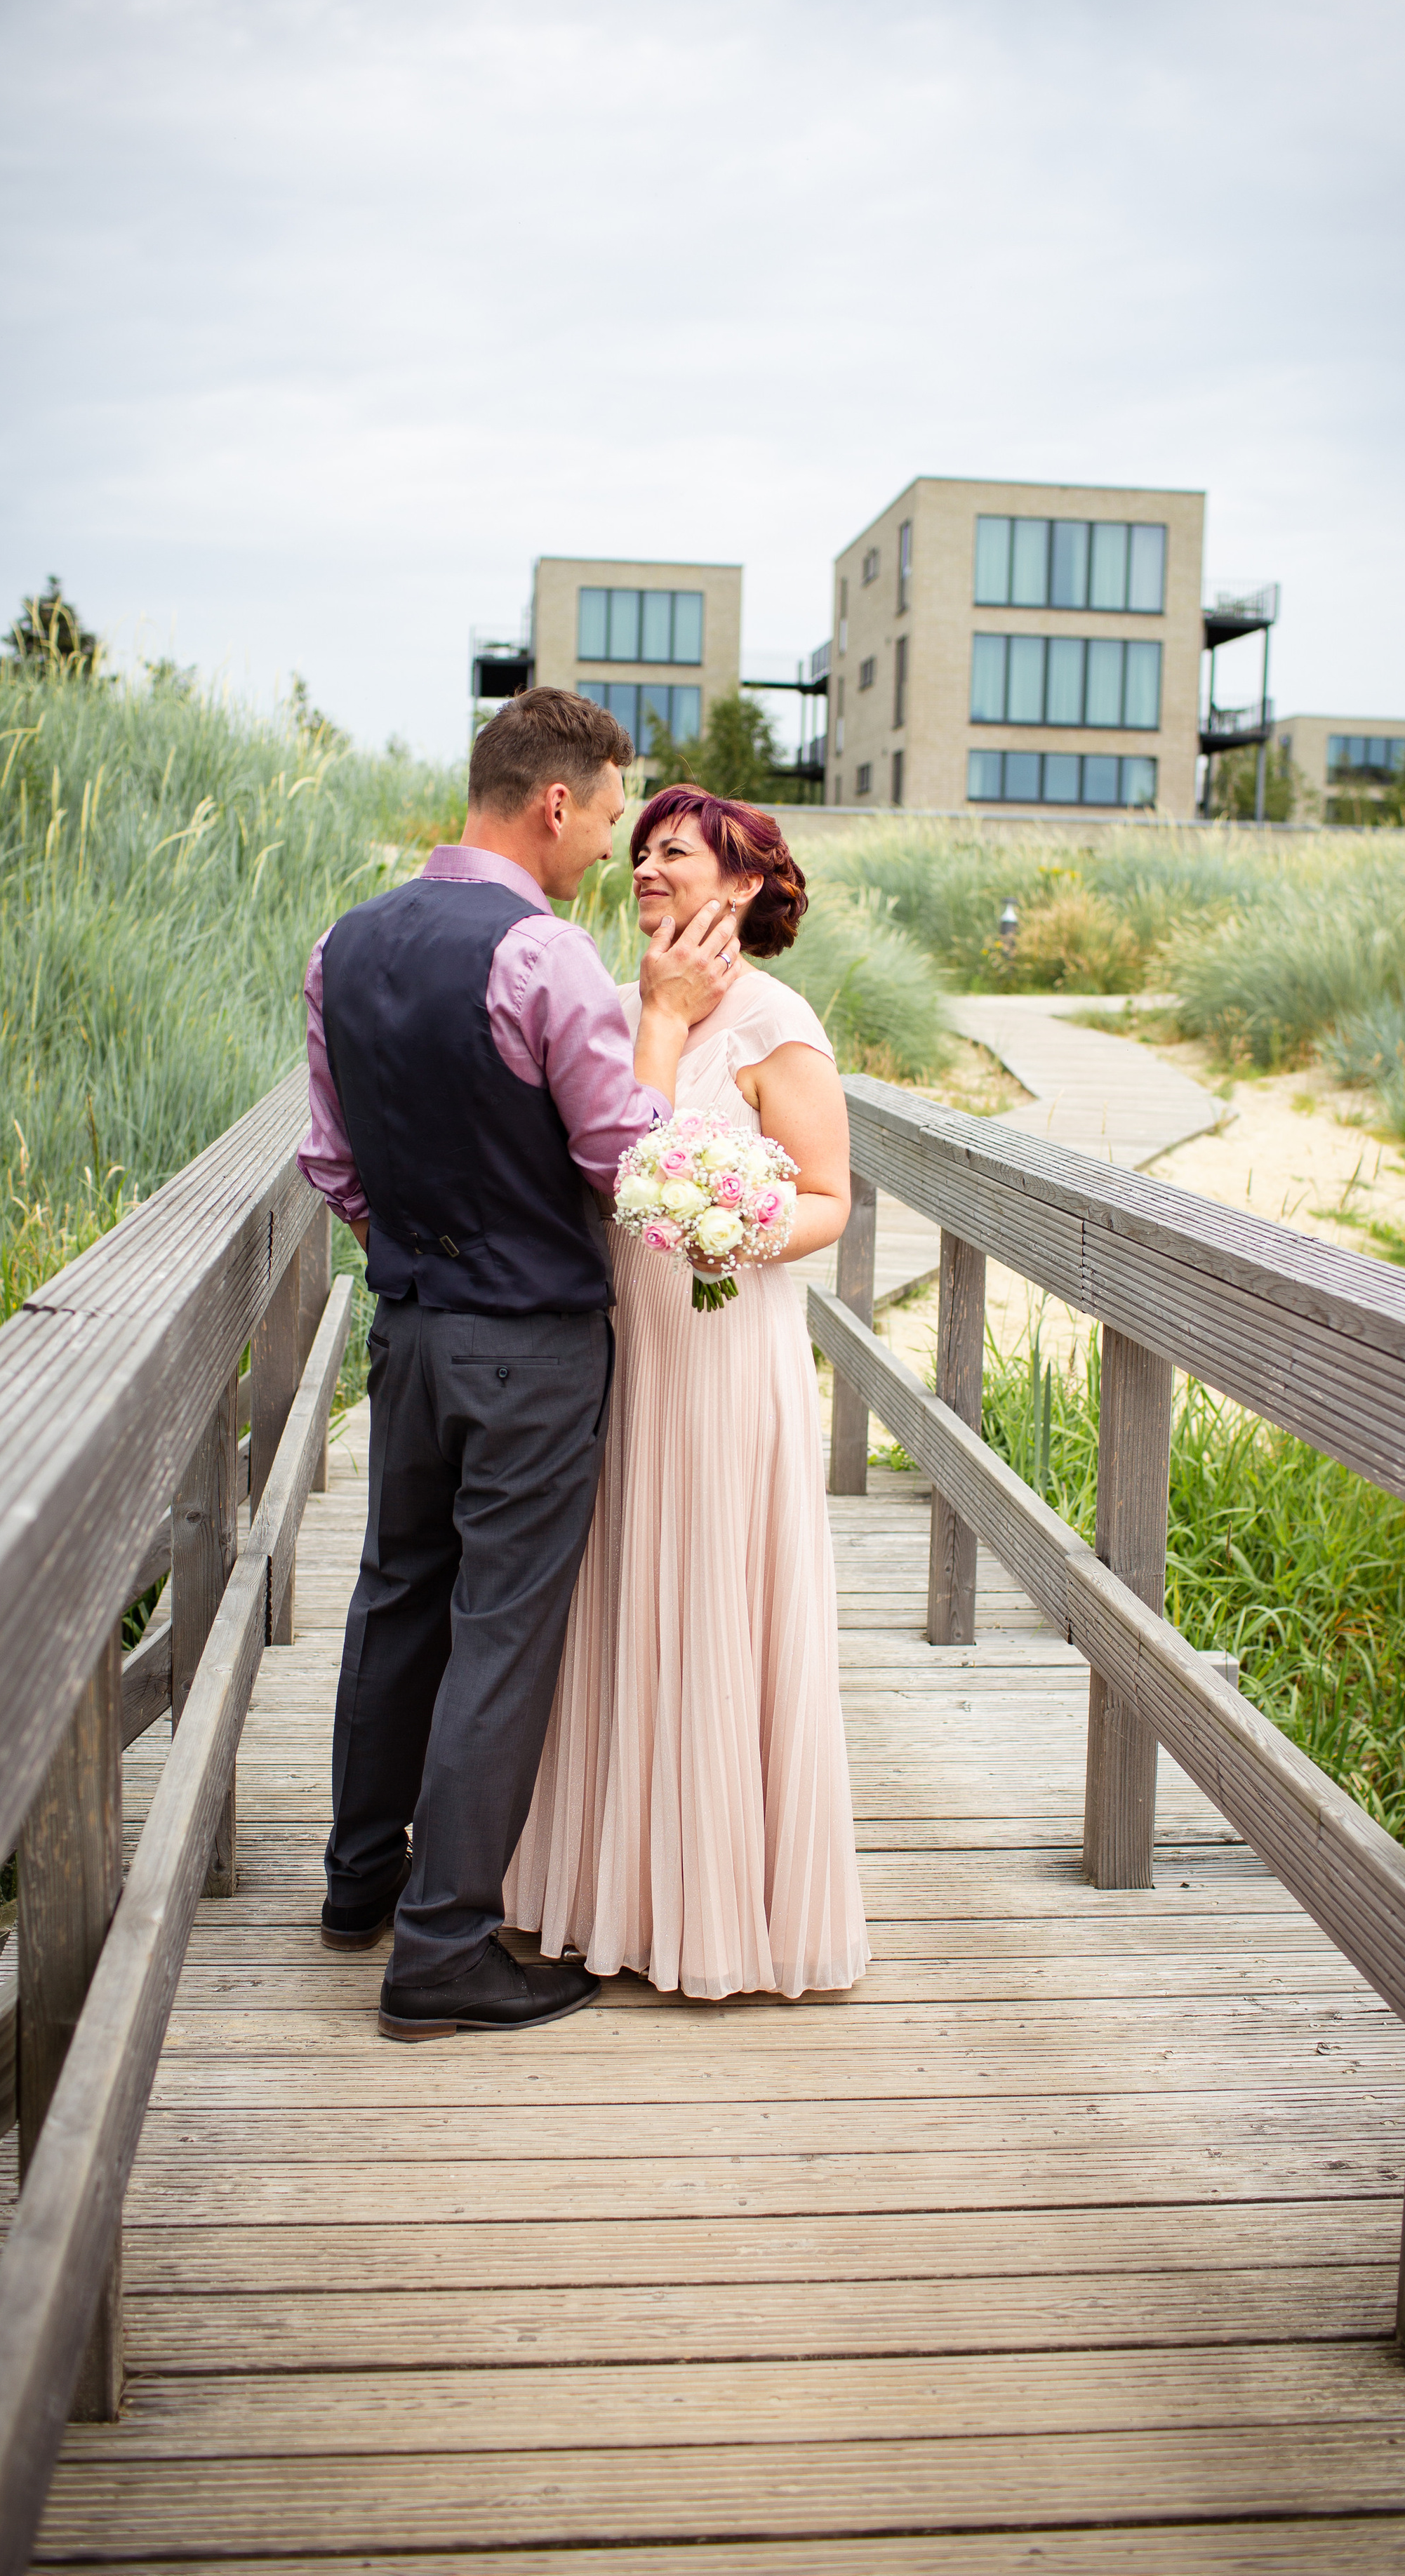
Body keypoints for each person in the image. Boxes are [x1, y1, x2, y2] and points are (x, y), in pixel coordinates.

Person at [296, 691, 738, 2040]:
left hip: (413, 1331)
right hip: (531, 1347)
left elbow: (330, 1162)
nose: (612, 846)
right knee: (502, 1633)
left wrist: (424, 1253)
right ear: (558, 803)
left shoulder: (342, 942)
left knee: (395, 1596)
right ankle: (442, 1950)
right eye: (611, 815)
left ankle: (358, 1883)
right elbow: (630, 1166)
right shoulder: (543, 960)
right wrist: (661, 1017)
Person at [505, 788, 872, 2000]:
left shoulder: (780, 1026)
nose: (648, 869)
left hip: (725, 1355)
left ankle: (715, 1908)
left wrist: (742, 1227)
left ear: (749, 887)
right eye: (644, 850)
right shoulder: (614, 1014)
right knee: (617, 1597)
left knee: (713, 1593)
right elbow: (600, 1175)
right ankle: (607, 1893)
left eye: (676, 855)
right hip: (618, 1347)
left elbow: (829, 1196)